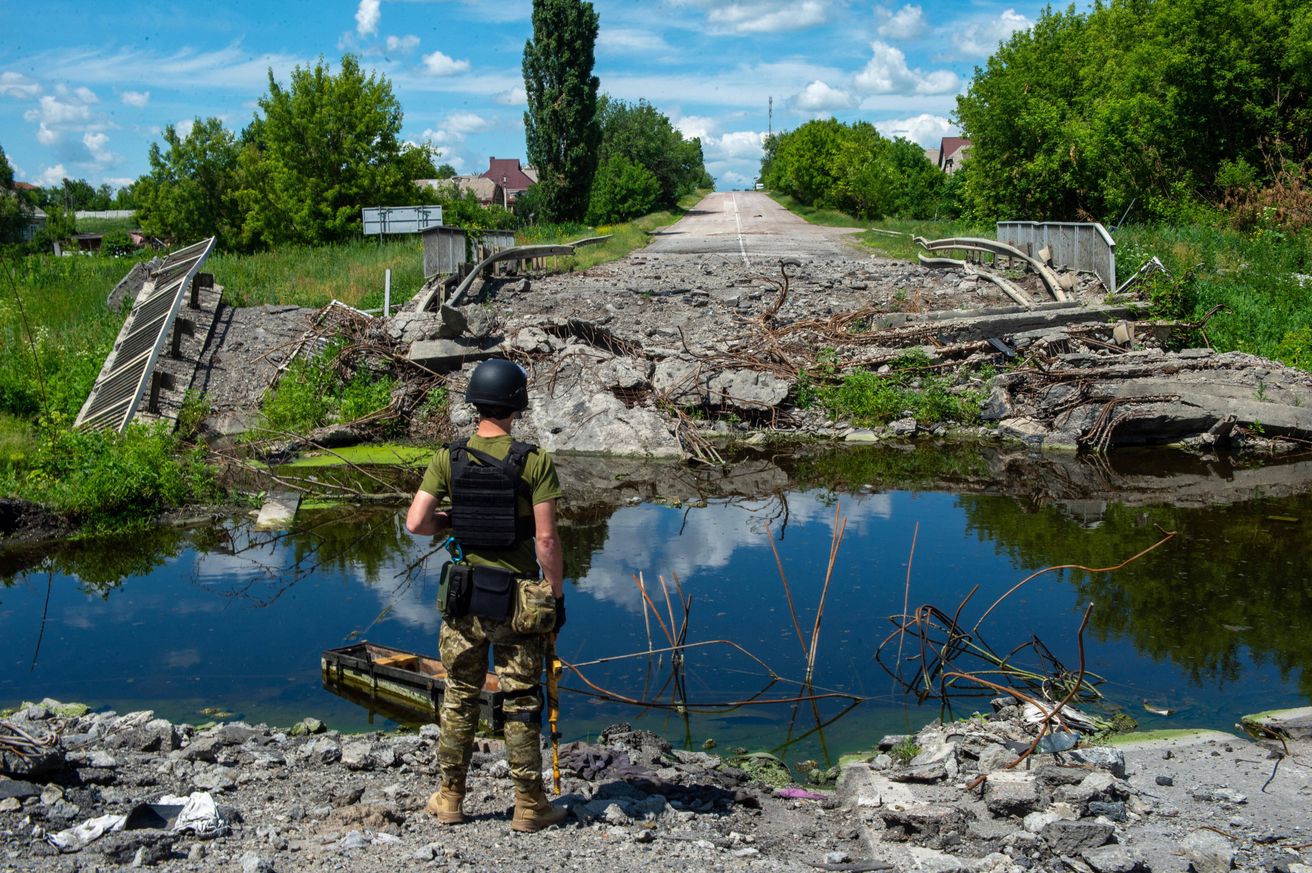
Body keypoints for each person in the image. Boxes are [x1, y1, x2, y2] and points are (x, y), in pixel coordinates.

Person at [405, 358, 567, 833]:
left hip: (464, 600)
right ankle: (529, 805)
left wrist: (453, 521)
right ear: (517, 403)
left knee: (458, 696)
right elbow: (547, 542)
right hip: (518, 603)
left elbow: (416, 524)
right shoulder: (533, 461)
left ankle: (450, 798)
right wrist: (554, 597)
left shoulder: (448, 458)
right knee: (520, 700)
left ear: (475, 402)